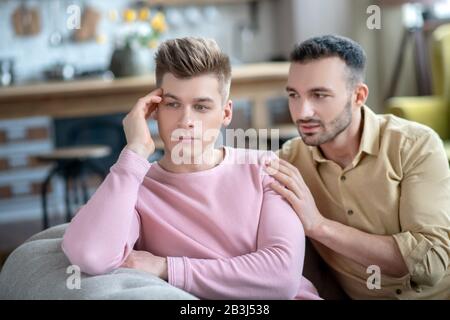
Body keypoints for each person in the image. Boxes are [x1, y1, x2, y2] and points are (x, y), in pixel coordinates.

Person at [62, 37, 320, 300]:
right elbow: (90, 256)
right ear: (154, 111)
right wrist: (135, 152)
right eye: (172, 104)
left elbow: (281, 279)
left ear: (226, 113)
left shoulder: (265, 169)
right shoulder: (135, 188)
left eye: (201, 106)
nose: (186, 121)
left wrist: (166, 267)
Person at [266, 35, 450, 299]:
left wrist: (319, 226)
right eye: (294, 95)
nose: (302, 112)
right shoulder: (289, 160)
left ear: (359, 96)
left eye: (320, 95)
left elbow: (431, 263)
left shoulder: (415, 145)